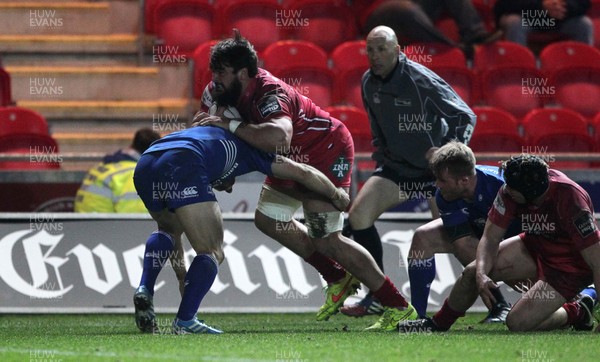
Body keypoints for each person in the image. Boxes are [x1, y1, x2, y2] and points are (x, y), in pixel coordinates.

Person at [194, 29, 418, 331]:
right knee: (268, 219)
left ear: (244, 73)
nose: (215, 79)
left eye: (221, 72)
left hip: (325, 149)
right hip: (292, 163)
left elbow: (279, 138)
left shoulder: (268, 93)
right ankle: (338, 278)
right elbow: (212, 129)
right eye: (214, 71)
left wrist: (230, 124)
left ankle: (398, 305)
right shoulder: (219, 92)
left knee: (327, 240)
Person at [132, 125, 352, 334]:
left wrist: (182, 277)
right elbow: (302, 172)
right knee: (212, 251)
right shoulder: (253, 151)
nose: (228, 189)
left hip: (147, 161)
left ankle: (145, 289)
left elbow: (175, 238)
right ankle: (185, 320)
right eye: (231, 182)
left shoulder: (209, 136)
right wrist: (336, 194)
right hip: (184, 161)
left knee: (168, 231)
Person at [340, 26, 476, 317]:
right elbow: (378, 131)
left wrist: (445, 157)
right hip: (397, 169)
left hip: (433, 174)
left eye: (382, 49)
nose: (375, 56)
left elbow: (465, 116)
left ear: (397, 50)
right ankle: (378, 297)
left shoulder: (420, 80)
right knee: (359, 218)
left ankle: (497, 302)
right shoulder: (368, 83)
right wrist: (384, 160)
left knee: (456, 239)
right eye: (370, 50)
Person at [398, 154, 600, 333]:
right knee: (471, 271)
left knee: (517, 323)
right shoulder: (510, 189)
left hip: (570, 267)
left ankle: (578, 311)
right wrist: (482, 274)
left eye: (511, 190)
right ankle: (438, 323)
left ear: (529, 192)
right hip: (533, 245)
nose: (506, 191)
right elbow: (490, 238)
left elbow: (596, 261)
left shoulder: (571, 199)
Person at [406, 141, 515, 321]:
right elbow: (462, 243)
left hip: (515, 239)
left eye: (442, 180)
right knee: (423, 237)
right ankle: (417, 316)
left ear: (464, 180)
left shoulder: (502, 186)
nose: (437, 185)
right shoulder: (445, 195)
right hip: (482, 236)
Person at [358, 0, 501, 54]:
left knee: (409, 8)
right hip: (379, 13)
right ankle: (454, 50)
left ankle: (475, 34)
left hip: (413, 6)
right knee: (406, 9)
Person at [74, 128, 160, 213]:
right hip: (104, 224)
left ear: (131, 146)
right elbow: (134, 217)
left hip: (84, 222)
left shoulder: (106, 164)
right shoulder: (136, 173)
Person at [493, 0, 594, 46]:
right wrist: (541, 6)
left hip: (557, 19)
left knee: (584, 24)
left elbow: (584, 3)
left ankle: (582, 76)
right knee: (514, 23)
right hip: (527, 17)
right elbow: (504, 4)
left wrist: (563, 6)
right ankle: (517, 76)